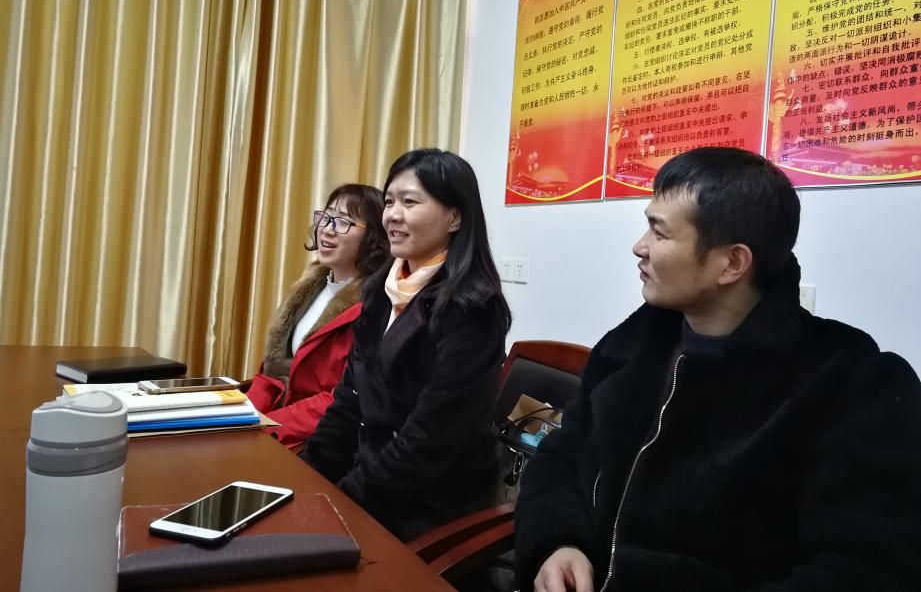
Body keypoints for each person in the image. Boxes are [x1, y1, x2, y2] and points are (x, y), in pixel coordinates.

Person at [515, 147, 921, 592]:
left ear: (732, 263)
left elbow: (868, 567)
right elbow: (561, 455)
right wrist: (558, 542)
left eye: (659, 232)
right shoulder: (629, 348)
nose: (639, 247)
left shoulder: (850, 384)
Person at [301, 148, 512, 541]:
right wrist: (307, 477)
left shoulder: (474, 310)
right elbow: (348, 402)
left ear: (454, 218)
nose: (393, 215)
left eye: (410, 202)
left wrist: (340, 503)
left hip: (427, 507)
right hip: (369, 479)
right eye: (389, 201)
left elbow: (427, 444)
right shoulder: (381, 292)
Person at [247, 183, 388, 449]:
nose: (327, 229)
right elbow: (272, 374)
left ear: (373, 237)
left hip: (321, 440)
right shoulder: (309, 287)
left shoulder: (374, 306)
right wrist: (244, 417)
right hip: (276, 424)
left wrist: (268, 427)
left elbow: (341, 398)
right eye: (326, 216)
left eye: (344, 222)